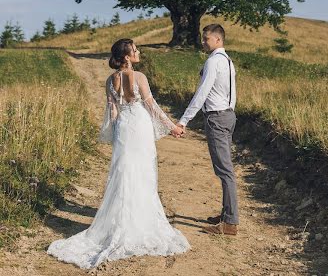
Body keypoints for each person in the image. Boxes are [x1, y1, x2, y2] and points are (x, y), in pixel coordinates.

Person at [47, 38, 190, 268]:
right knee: (143, 173)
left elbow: (112, 111)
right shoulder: (140, 77)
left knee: (123, 173)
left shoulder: (109, 80)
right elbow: (151, 106)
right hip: (140, 126)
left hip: (124, 128)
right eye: (135, 50)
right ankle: (141, 223)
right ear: (127, 57)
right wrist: (172, 127)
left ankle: (120, 222)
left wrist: (115, 134)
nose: (138, 52)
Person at [178, 23, 238, 235]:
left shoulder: (213, 62)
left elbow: (201, 93)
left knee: (225, 170)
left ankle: (230, 222)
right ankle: (226, 214)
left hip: (217, 117)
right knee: (224, 169)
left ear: (218, 40)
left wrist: (184, 120)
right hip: (228, 115)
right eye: (203, 39)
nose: (203, 42)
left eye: (206, 39)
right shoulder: (228, 61)